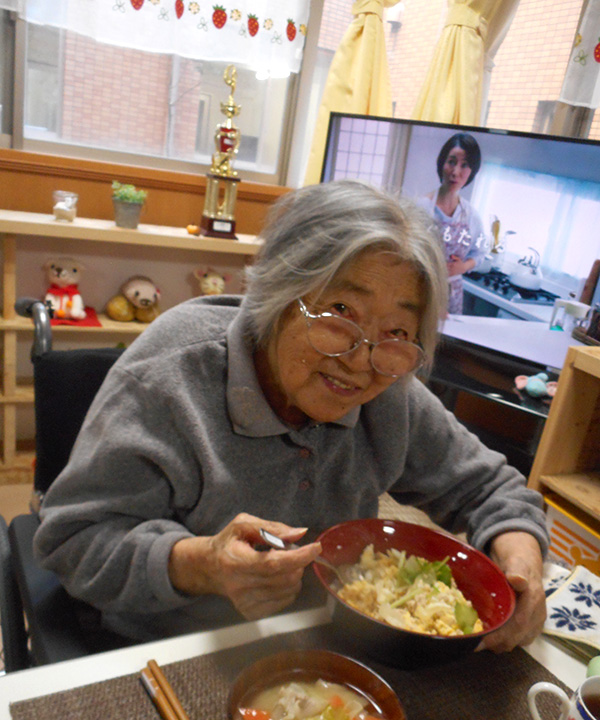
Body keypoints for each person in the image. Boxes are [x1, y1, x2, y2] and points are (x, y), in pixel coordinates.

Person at [34, 180, 547, 652]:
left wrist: (522, 565)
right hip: (165, 651)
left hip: (317, 644)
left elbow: (490, 489)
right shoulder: (170, 380)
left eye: (397, 332)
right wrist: (202, 565)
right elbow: (72, 541)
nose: (360, 362)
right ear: (277, 294)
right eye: (340, 312)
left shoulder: (390, 391)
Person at [418, 133, 487, 313]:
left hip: (452, 297)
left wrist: (463, 266)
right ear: (442, 163)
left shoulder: (471, 216)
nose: (455, 172)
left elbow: (480, 252)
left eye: (464, 165)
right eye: (451, 162)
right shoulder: (421, 207)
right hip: (420, 290)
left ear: (471, 172)